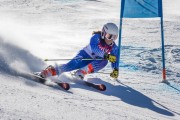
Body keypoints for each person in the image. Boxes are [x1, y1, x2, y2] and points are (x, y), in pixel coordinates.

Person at [40, 22, 119, 80]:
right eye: (109, 36)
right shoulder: (96, 37)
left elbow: (115, 59)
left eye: (114, 37)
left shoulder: (114, 47)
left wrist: (115, 70)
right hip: (84, 55)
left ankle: (81, 72)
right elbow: (95, 48)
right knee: (73, 64)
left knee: (104, 61)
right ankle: (50, 71)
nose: (111, 39)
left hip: (93, 62)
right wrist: (107, 55)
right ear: (103, 33)